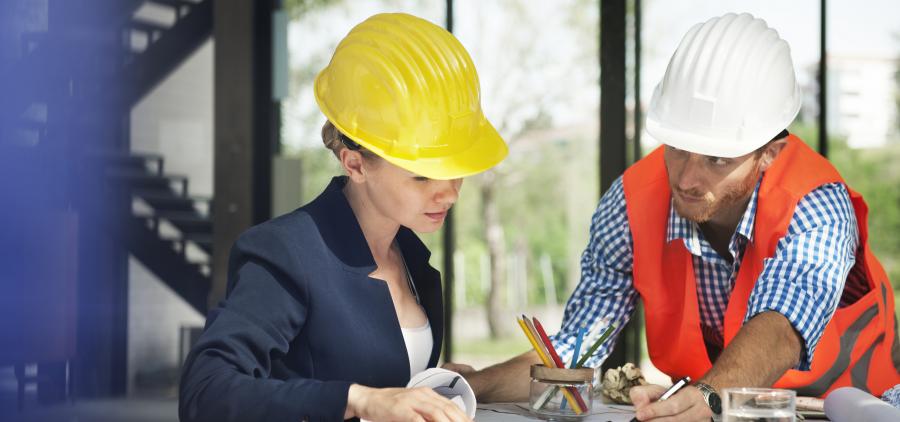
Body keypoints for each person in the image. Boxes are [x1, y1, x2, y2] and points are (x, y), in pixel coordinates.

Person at [446, 12, 900, 422]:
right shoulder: (629, 204)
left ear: (769, 153)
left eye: (717, 160)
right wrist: (467, 388)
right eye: (678, 148)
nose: (687, 177)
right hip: (712, 409)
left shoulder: (816, 201)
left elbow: (781, 327)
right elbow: (574, 349)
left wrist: (707, 396)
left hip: (853, 408)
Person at [179, 13, 507, 422]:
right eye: (423, 175)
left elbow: (387, 381)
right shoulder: (287, 251)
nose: (450, 191)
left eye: (455, 169)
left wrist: (438, 382)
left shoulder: (409, 256)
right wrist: (357, 399)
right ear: (354, 164)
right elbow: (205, 391)